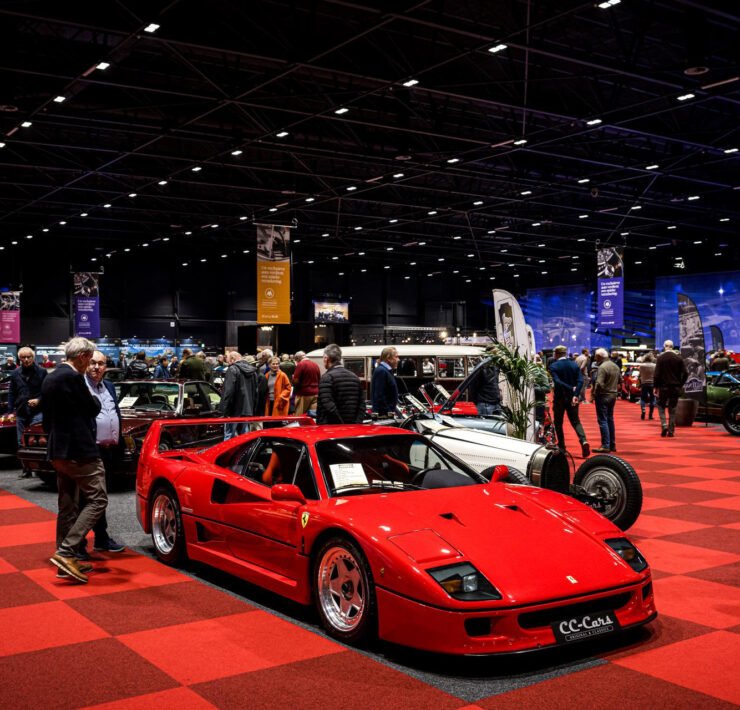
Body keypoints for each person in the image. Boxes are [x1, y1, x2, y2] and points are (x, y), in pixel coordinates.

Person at [41, 337, 106, 584]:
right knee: (98, 499)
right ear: (82, 357)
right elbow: (92, 408)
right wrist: (95, 400)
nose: (90, 364)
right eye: (89, 359)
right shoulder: (72, 378)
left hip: (58, 450)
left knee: (68, 505)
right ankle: (67, 552)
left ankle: (64, 561)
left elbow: (47, 419)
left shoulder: (50, 377)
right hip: (79, 451)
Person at [82, 351, 125, 554]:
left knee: (100, 497)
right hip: (89, 450)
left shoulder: (109, 386)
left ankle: (101, 537)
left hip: (108, 450)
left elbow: (115, 413)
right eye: (93, 363)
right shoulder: (80, 386)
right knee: (87, 499)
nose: (96, 367)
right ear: (85, 364)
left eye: (101, 363)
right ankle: (79, 543)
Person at [548, 344, 590, 458]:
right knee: (576, 421)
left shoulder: (554, 366)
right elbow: (580, 381)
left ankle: (562, 447)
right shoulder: (574, 364)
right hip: (572, 398)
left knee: (558, 423)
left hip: (560, 398)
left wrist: (570, 388)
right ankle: (583, 441)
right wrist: (575, 394)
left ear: (556, 353)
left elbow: (557, 382)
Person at [8, 347, 47, 451]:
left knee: (37, 441)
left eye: (28, 357)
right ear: (19, 358)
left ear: (33, 357)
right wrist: (10, 412)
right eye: (23, 357)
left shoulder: (42, 372)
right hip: (21, 411)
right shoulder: (15, 373)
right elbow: (12, 393)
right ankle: (24, 461)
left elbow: (47, 391)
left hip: (38, 411)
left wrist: (39, 400)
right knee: (21, 442)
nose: (26, 359)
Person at [317, 343, 364, 424]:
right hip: (353, 427)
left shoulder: (326, 378)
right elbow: (362, 405)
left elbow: (328, 405)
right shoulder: (355, 377)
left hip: (331, 427)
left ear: (326, 358)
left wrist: (341, 424)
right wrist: (357, 423)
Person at [654, 339, 688, 438]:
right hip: (675, 387)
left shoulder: (660, 358)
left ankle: (664, 425)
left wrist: (656, 387)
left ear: (664, 346)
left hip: (663, 387)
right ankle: (671, 430)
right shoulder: (678, 358)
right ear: (672, 347)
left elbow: (656, 375)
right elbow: (686, 373)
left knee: (661, 406)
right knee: (672, 409)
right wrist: (680, 384)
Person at [221, 351, 259, 438]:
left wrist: (225, 410)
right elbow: (256, 392)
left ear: (232, 359)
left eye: (228, 361)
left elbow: (228, 391)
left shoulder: (232, 369)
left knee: (229, 435)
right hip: (248, 409)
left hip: (233, 410)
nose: (228, 363)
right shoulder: (253, 371)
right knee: (244, 436)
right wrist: (253, 409)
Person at [592, 348, 620, 453]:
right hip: (613, 394)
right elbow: (620, 381)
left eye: (596, 356)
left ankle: (605, 445)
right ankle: (612, 444)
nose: (595, 358)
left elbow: (599, 383)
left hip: (603, 395)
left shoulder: (602, 367)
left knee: (602, 420)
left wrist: (595, 393)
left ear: (600, 356)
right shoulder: (615, 366)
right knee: (610, 419)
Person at [371, 346, 399, 417]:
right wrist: (388, 411)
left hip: (386, 413)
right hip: (384, 415)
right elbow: (379, 395)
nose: (398, 360)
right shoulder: (381, 371)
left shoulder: (385, 370)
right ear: (388, 358)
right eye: (396, 357)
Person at [292, 351, 321, 416]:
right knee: (312, 415)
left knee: (299, 416)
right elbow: (319, 379)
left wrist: (293, 379)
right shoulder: (315, 364)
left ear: (297, 359)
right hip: (315, 394)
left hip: (304, 394)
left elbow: (296, 381)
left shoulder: (301, 364)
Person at [639, 352, 656, 420]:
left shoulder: (641, 366)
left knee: (643, 398)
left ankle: (643, 410)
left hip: (644, 383)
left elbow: (640, 374)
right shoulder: (654, 365)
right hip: (652, 383)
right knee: (652, 398)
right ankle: (650, 414)